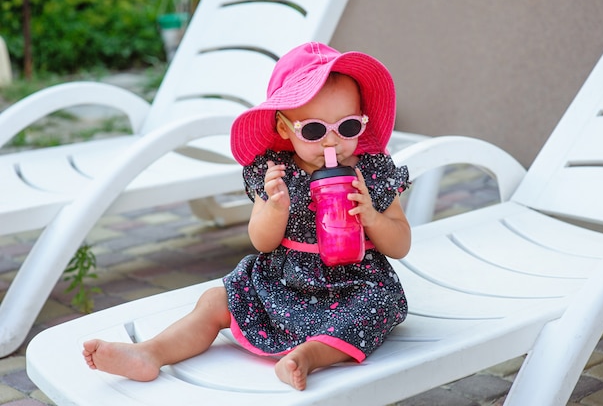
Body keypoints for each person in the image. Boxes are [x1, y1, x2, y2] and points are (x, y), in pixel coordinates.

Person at [82, 42, 411, 391]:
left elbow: (401, 243)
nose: (332, 143)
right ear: (285, 129)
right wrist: (275, 208)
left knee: (378, 305)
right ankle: (150, 353)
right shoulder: (275, 172)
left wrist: (373, 218)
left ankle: (308, 357)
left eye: (346, 127)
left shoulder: (372, 172)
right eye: (314, 131)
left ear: (362, 120)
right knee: (215, 301)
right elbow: (262, 241)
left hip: (354, 285)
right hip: (283, 282)